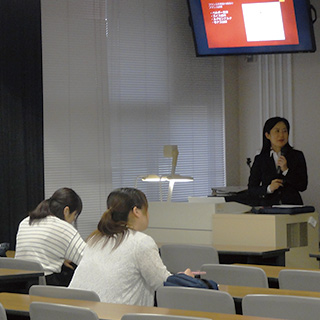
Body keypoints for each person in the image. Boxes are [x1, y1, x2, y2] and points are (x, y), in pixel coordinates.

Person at [69, 187, 193, 306]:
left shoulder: (95, 239)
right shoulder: (141, 242)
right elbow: (163, 284)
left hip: (78, 313)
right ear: (136, 211)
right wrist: (185, 279)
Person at [15, 187, 86, 286]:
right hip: (44, 286)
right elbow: (88, 259)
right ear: (66, 211)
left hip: (18, 284)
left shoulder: (26, 221)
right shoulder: (63, 227)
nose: (73, 220)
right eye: (74, 215)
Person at [248, 116, 308, 206]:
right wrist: (269, 188)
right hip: (269, 207)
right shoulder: (260, 159)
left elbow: (302, 186)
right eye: (277, 131)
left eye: (285, 131)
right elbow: (252, 189)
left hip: (292, 206)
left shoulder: (297, 155)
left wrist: (286, 170)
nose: (281, 135)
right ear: (267, 135)